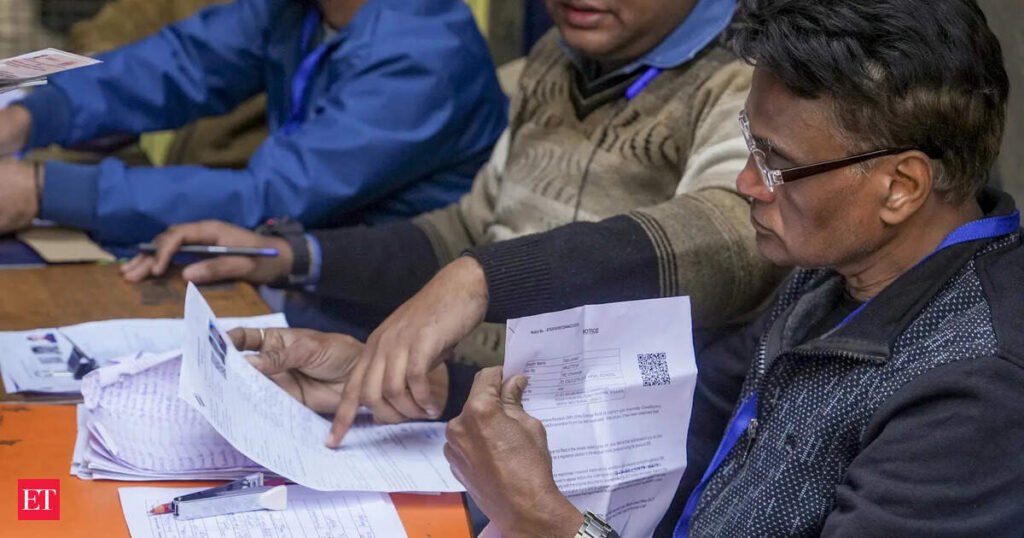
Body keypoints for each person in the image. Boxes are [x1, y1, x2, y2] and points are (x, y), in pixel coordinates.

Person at [235, 0, 1024, 535]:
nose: (747, 184)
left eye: (776, 163)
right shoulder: (836, 271)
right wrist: (418, 389)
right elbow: (659, 428)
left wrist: (550, 523)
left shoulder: (976, 390)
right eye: (750, 149)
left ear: (900, 187)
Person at [124, 0, 790, 441]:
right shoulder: (556, 58)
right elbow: (469, 230)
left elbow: (731, 239)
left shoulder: (750, 79)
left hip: (599, 446)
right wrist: (293, 255)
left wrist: (481, 279)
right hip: (470, 404)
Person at [0, 0, 507, 244]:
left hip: (382, 303)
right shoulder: (301, 11)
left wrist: (42, 191)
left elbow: (269, 196)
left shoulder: (425, 54)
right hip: (294, 257)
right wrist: (30, 114)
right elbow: (182, 62)